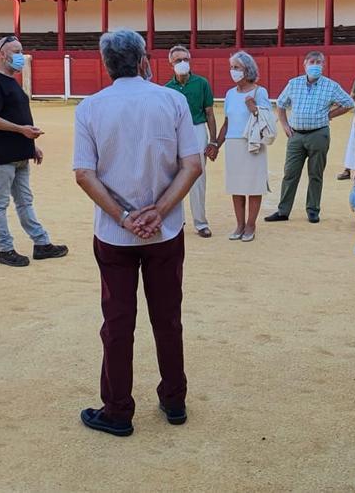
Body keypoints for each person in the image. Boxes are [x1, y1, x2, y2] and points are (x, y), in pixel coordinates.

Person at [72, 29, 202, 437]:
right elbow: (192, 165)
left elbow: (84, 174)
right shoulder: (173, 100)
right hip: (165, 231)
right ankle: (174, 399)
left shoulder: (90, 107)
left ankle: (117, 409)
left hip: (115, 234)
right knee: (168, 317)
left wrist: (125, 217)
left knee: (117, 322)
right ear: (145, 61)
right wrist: (159, 211)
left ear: (107, 64)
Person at [0, 35, 68, 267]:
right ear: (2, 54)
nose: (20, 55)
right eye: (15, 51)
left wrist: (31, 146)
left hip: (19, 153)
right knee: (0, 203)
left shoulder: (11, 83)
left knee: (25, 201)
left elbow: (17, 117)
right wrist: (21, 131)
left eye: (21, 50)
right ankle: (4, 248)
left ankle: (41, 243)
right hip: (1, 155)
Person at [266, 51, 353, 224]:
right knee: (290, 173)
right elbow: (280, 104)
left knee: (315, 174)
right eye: (312, 62)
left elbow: (349, 103)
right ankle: (283, 210)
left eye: (319, 62)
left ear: (324, 65)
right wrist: (284, 125)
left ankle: (313, 210)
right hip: (296, 135)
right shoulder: (294, 83)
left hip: (318, 133)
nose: (315, 65)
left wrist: (330, 114)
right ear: (304, 64)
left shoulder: (331, 85)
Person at [212, 51, 271, 242]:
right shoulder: (229, 94)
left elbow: (267, 120)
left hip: (253, 144)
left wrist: (254, 108)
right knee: (236, 186)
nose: (233, 71)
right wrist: (216, 145)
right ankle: (239, 224)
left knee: (254, 186)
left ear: (248, 70)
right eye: (231, 67)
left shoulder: (259, 92)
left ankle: (251, 224)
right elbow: (227, 123)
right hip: (233, 144)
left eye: (236, 67)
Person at [165, 45, 218, 238]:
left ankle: (200, 222)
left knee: (198, 176)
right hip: (175, 132)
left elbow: (209, 113)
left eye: (185, 59)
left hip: (197, 129)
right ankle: (177, 220)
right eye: (178, 60)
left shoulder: (201, 83)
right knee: (173, 177)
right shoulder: (167, 89)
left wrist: (213, 141)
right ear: (170, 63)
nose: (182, 63)